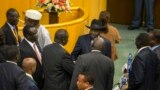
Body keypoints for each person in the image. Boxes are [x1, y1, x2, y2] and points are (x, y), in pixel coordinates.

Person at [18, 24, 43, 90]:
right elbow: (25, 68)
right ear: (28, 36)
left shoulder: (35, 41)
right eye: (34, 33)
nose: (37, 35)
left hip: (41, 78)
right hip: (33, 81)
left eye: (36, 32)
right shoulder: (22, 49)